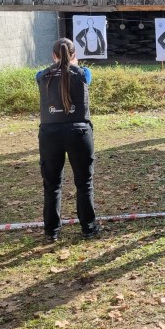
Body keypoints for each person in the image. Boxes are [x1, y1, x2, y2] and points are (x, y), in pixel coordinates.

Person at [36, 38, 99, 242]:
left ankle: (51, 232)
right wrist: (73, 65)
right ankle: (88, 227)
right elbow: (81, 75)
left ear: (54, 56)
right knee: (84, 183)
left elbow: (45, 75)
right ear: (73, 55)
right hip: (79, 132)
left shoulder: (41, 75)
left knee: (52, 184)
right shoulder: (83, 73)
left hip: (50, 134)